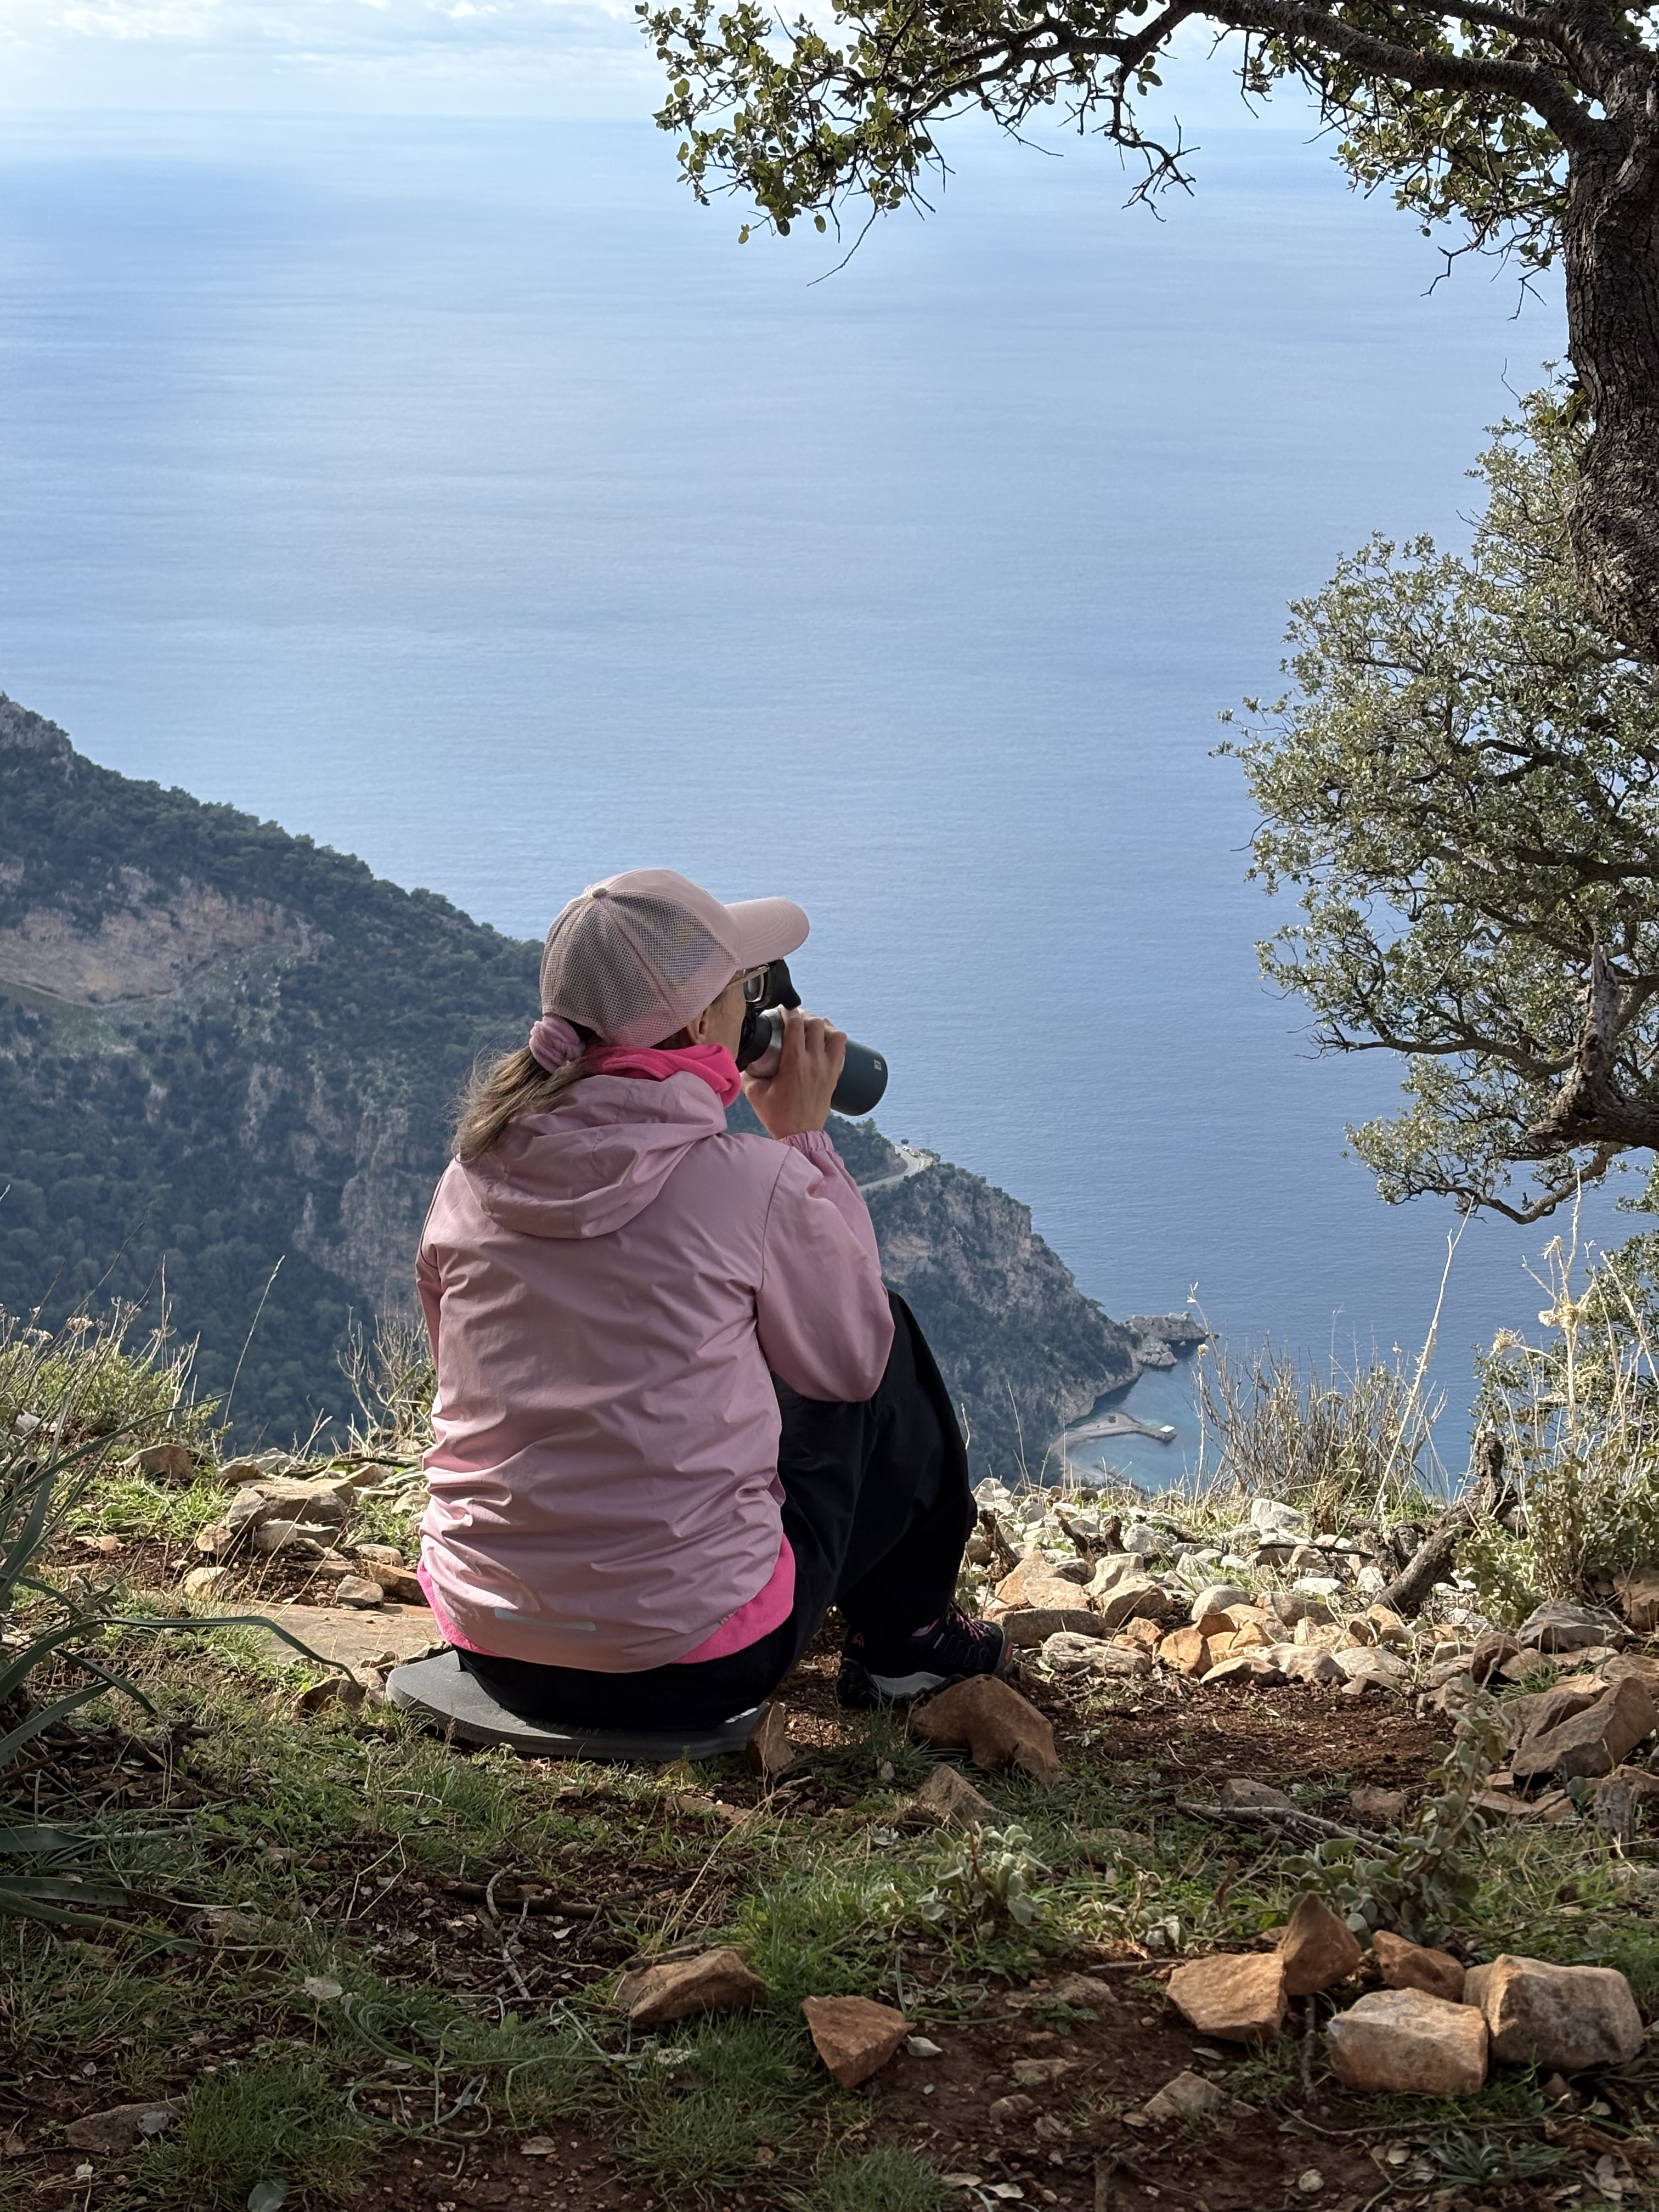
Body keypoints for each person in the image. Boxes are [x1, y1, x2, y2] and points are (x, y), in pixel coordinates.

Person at [414, 866, 1009, 1729]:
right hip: (692, 1661)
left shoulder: (470, 1175)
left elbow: (455, 1366)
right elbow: (854, 1364)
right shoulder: (751, 1184)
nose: (754, 1006)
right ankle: (910, 1645)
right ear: (702, 1023)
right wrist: (802, 1139)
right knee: (893, 1337)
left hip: (491, 1638)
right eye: (742, 989)